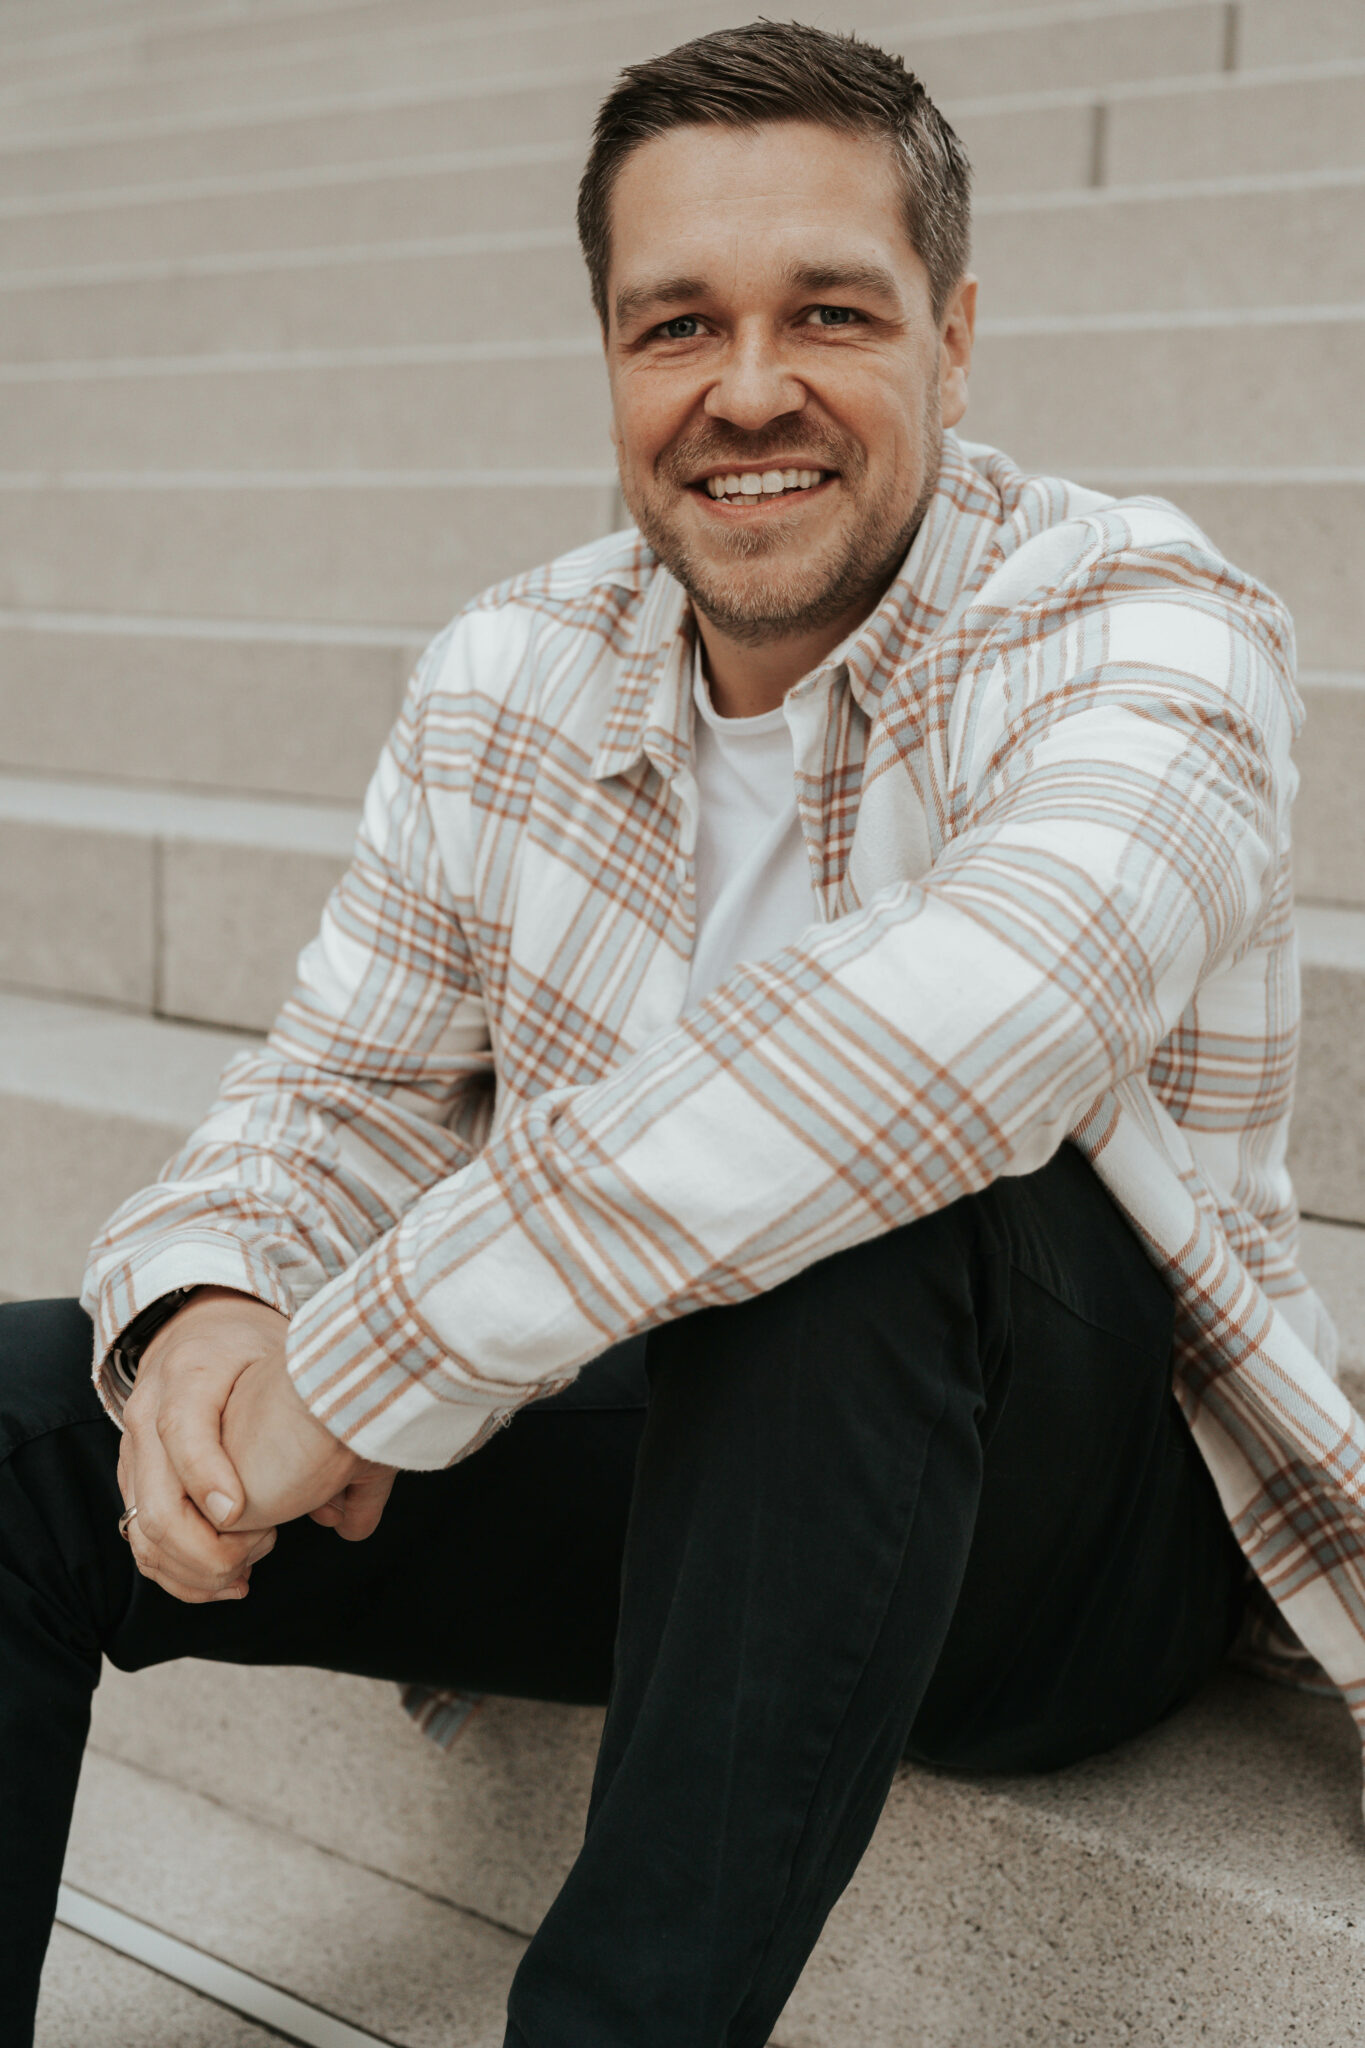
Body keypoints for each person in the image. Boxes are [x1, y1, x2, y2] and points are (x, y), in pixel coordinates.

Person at [2, 20, 1359, 2048]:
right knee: (29, 1418)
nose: (745, 391)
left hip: (1061, 1521)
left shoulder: (1139, 622)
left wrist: (358, 1365)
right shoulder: (508, 672)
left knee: (862, 1215)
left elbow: (966, 1026)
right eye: (672, 327)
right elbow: (337, 1092)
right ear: (608, 353)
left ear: (952, 336)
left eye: (827, 311)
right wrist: (211, 1308)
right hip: (666, 1462)